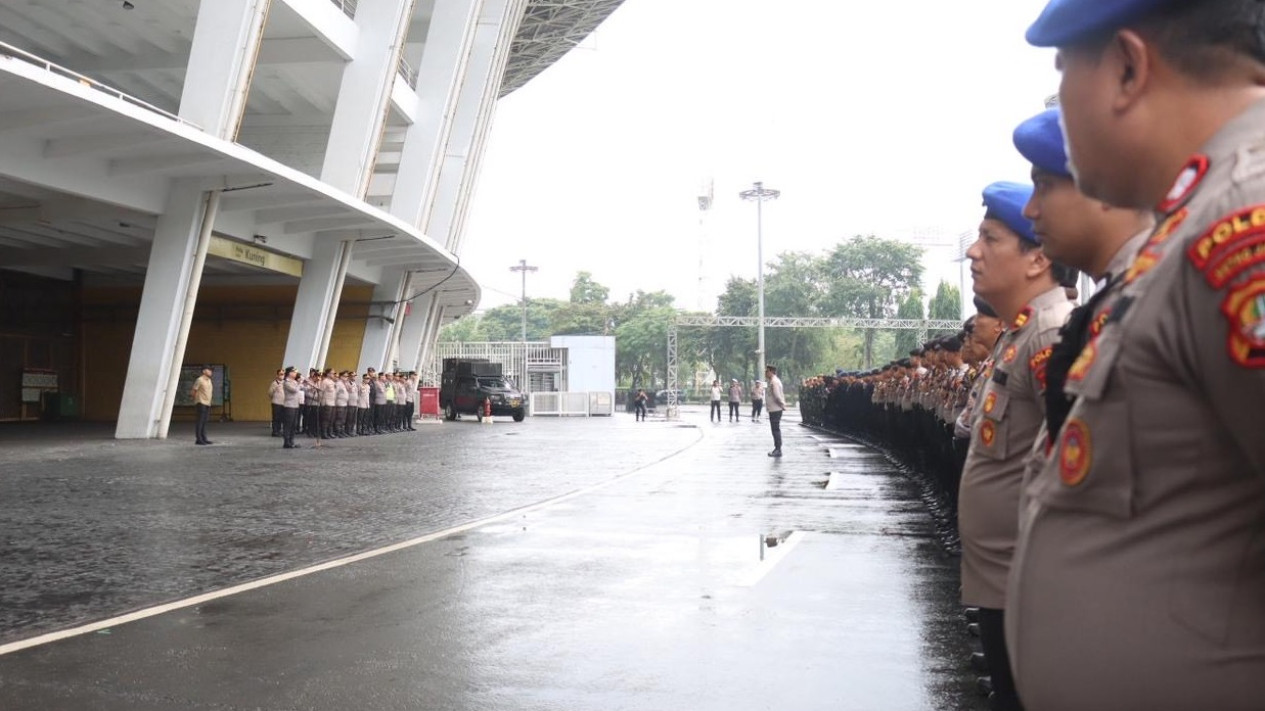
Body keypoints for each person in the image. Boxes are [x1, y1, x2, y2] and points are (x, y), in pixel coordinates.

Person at [1007, 2, 1265, 709]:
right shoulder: (1193, 222)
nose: (1062, 103)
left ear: (1126, 66)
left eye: (1063, 72)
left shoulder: (1245, 217)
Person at [959, 181, 1074, 711]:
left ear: (1038, 258)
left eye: (989, 238)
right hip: (1002, 577)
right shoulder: (1020, 333)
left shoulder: (1049, 336)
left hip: (1025, 583)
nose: (972, 251)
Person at [764, 364, 786, 457]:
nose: (766, 373)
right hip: (774, 409)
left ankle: (778, 449)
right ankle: (777, 448)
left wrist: (782, 404)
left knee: (775, 429)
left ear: (771, 371)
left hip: (776, 409)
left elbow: (777, 395)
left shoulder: (774, 382)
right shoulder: (772, 381)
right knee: (775, 429)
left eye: (767, 371)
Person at [191, 366, 214, 445]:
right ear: (204, 371)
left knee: (205, 421)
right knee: (200, 421)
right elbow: (194, 391)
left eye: (211, 370)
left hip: (208, 403)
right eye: (209, 370)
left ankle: (204, 438)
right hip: (201, 402)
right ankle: (199, 439)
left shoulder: (209, 380)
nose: (211, 372)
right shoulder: (199, 380)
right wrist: (196, 400)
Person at [281, 367, 301, 449]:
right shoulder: (286, 382)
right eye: (294, 372)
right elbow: (294, 390)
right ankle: (286, 442)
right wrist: (299, 383)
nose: (295, 373)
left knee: (294, 425)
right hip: (289, 406)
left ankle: (291, 441)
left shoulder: (294, 382)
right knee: (288, 425)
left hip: (295, 405)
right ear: (289, 373)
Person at [268, 368, 285, 437]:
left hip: (283, 403)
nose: (282, 376)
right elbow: (270, 392)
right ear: (277, 375)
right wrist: (274, 398)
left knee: (281, 418)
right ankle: (275, 431)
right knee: (276, 417)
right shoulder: (274, 383)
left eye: (283, 374)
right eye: (280, 374)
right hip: (276, 403)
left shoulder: (284, 383)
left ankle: (278, 430)